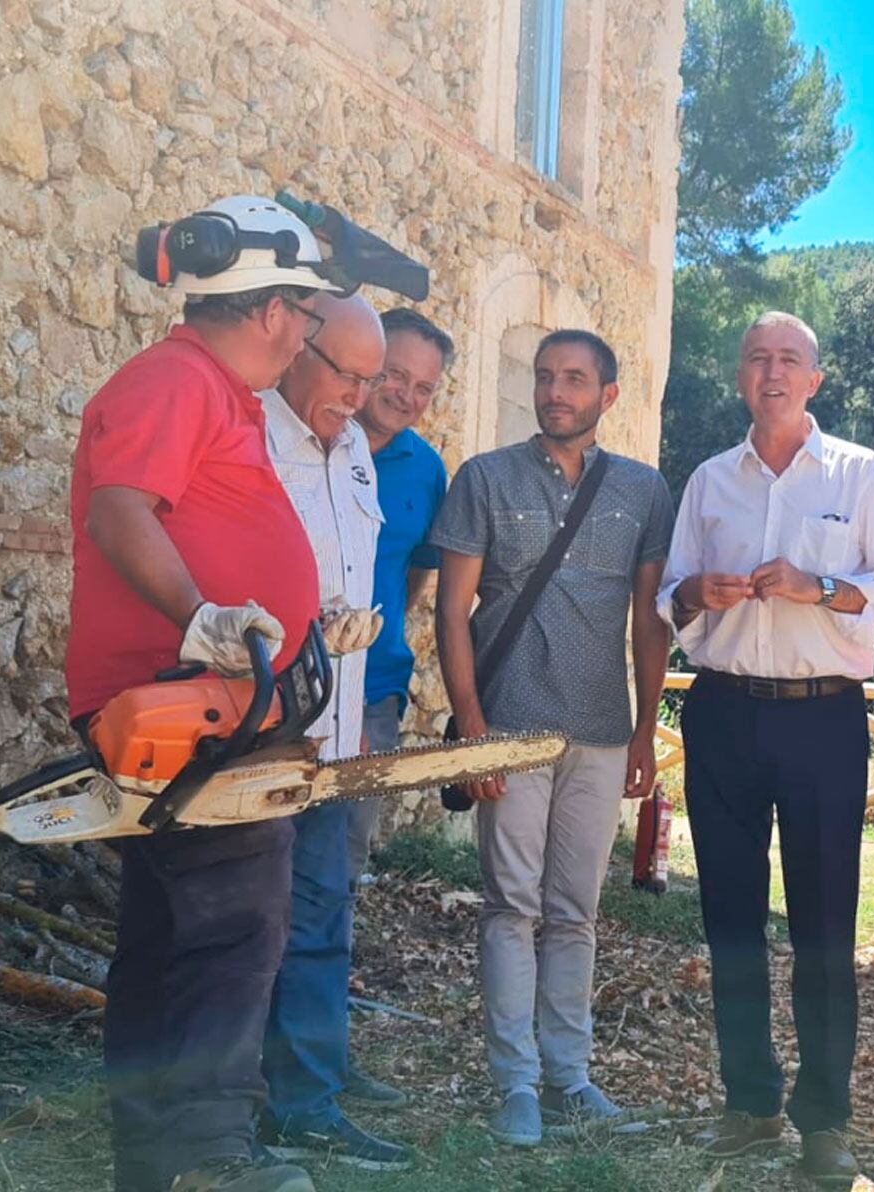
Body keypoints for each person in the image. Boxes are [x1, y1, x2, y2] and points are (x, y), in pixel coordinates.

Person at [65, 195, 332, 1192]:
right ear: (271, 308)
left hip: (215, 702)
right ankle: (207, 1155)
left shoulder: (216, 392)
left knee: (170, 931)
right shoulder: (176, 378)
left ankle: (155, 1158)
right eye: (305, 312)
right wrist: (199, 620)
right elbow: (118, 511)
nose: (306, 332)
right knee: (233, 926)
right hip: (184, 702)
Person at [658, 311, 874, 1186]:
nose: (771, 373)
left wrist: (826, 589)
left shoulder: (859, 471)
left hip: (823, 720)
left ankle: (825, 1121)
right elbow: (669, 596)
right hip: (724, 712)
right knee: (729, 921)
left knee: (823, 927)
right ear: (740, 376)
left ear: (815, 379)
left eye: (789, 361)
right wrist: (693, 590)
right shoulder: (708, 480)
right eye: (757, 359)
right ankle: (748, 1103)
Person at [430, 329, 675, 1149]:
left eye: (574, 379)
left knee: (575, 913)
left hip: (603, 730)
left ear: (608, 396)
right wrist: (471, 722)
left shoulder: (643, 490)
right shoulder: (485, 478)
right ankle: (517, 1086)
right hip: (508, 726)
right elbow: (451, 611)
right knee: (510, 906)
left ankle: (569, 1077)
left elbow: (650, 617)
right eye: (544, 377)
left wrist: (646, 727)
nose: (554, 392)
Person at [255, 293, 412, 1173]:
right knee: (239, 925)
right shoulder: (246, 433)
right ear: (294, 348)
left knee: (319, 918)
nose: (357, 397)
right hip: (257, 737)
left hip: (338, 735)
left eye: (369, 379)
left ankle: (307, 1104)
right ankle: (224, 1105)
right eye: (344, 374)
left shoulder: (352, 447)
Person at [348, 309, 454, 891]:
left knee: (342, 861)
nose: (406, 395)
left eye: (424, 387)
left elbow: (417, 576)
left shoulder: (427, 471)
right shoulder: (309, 441)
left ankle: (318, 985)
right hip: (281, 692)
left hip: (374, 694)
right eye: (394, 375)